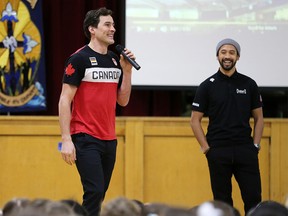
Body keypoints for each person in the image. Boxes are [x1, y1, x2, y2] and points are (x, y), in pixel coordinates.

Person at [58, 7, 136, 216]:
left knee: (99, 194)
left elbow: (123, 100)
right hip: (84, 136)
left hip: (109, 138)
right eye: (107, 25)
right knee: (94, 191)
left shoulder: (114, 60)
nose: (113, 29)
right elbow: (65, 100)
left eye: (113, 25)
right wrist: (66, 139)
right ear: (92, 29)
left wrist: (127, 72)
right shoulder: (79, 58)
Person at [190, 38, 264, 214]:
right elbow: (194, 120)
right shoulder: (207, 86)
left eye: (232, 52)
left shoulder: (249, 84)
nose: (227, 56)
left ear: (238, 56)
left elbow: (259, 118)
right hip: (218, 150)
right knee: (222, 202)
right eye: (223, 52)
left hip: (245, 149)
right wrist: (206, 148)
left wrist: (255, 145)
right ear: (217, 56)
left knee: (253, 198)